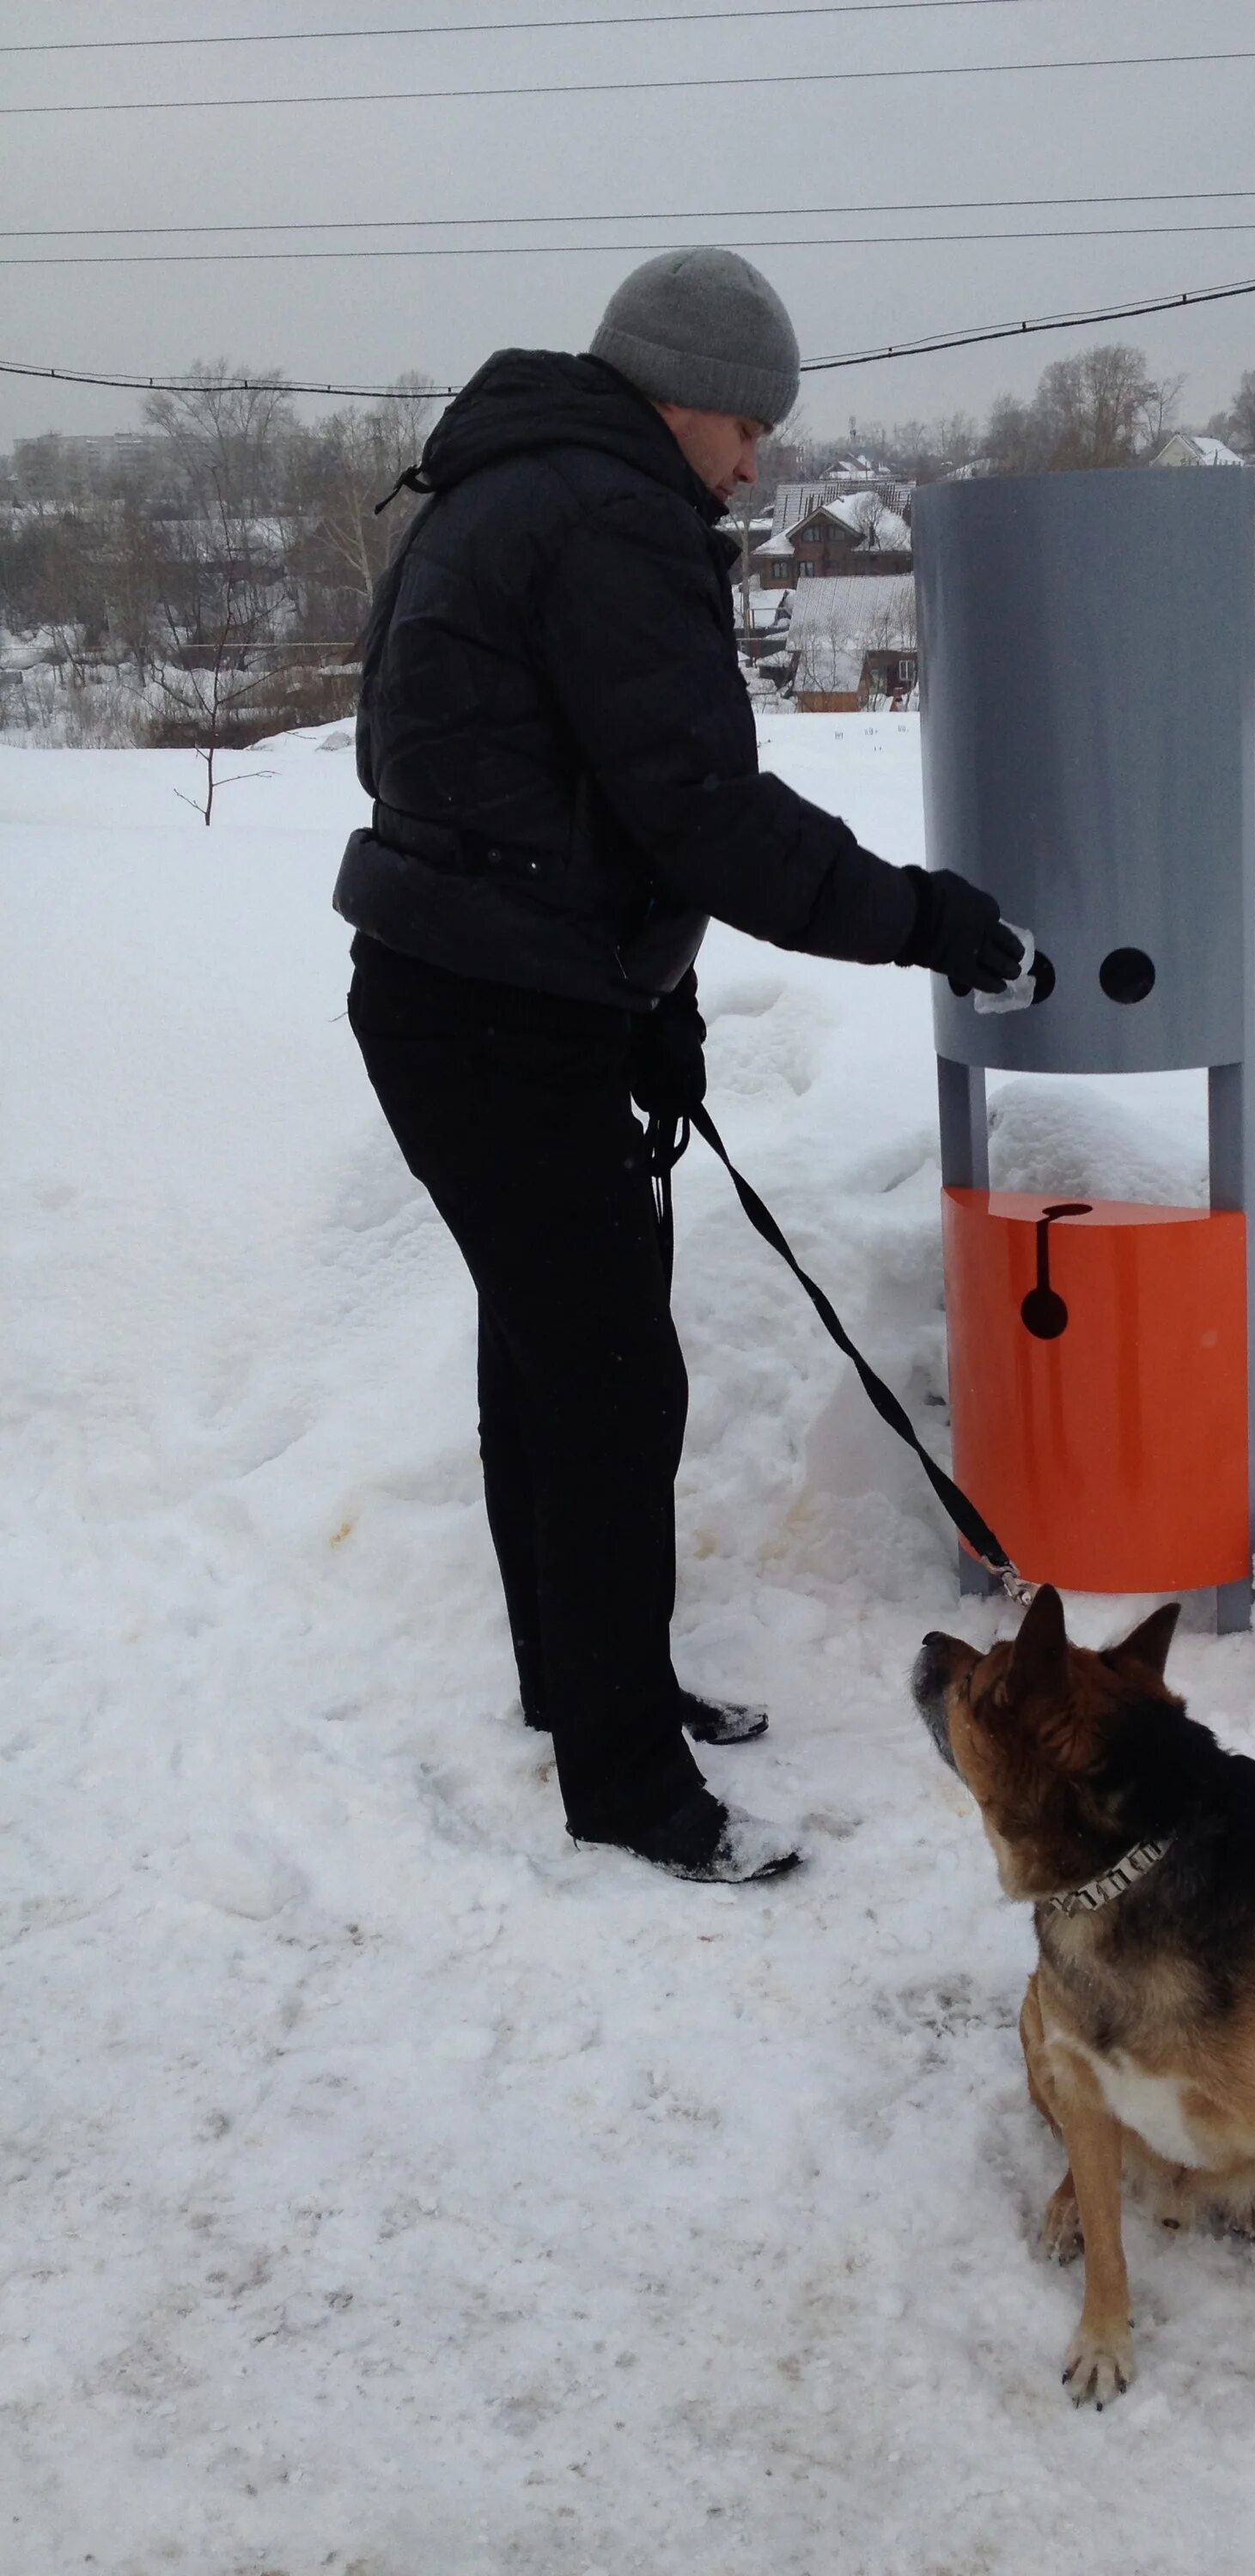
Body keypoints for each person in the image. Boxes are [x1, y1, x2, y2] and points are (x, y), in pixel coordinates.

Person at [336, 250, 1020, 1884]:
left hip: (484, 991)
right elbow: (699, 809)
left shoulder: (511, 487)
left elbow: (529, 790)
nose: (755, 462)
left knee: (554, 1364)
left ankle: (587, 1690)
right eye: (749, 428)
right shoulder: (606, 516)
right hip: (488, 1013)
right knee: (608, 1388)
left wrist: (643, 996)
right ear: (690, 396)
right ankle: (629, 1786)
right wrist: (930, 921)